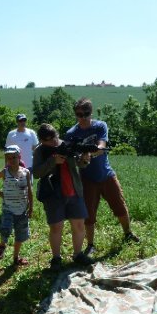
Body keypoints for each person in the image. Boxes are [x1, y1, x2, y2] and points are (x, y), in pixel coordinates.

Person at [66, 97, 139, 255]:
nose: (83, 117)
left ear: (91, 113)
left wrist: (90, 153)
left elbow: (101, 146)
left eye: (86, 113)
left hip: (106, 175)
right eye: (79, 114)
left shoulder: (100, 126)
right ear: (75, 114)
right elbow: (71, 159)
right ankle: (91, 245)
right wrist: (81, 159)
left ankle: (128, 233)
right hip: (87, 179)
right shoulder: (71, 133)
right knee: (89, 214)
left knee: (120, 205)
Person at [32, 123, 94, 271]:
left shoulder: (68, 145)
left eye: (54, 137)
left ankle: (78, 254)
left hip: (73, 190)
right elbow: (36, 173)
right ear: (41, 141)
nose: (53, 141)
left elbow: (80, 164)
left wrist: (85, 159)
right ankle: (56, 258)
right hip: (53, 194)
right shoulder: (40, 151)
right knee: (56, 227)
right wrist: (53, 161)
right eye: (48, 139)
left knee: (79, 225)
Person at [0, 145, 32, 266]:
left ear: (19, 157)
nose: (11, 160)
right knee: (5, 229)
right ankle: (2, 245)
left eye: (14, 157)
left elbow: (30, 191)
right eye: (8, 158)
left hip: (22, 210)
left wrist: (31, 207)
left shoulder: (26, 172)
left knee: (20, 236)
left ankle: (16, 258)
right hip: (8, 209)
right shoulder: (5, 172)